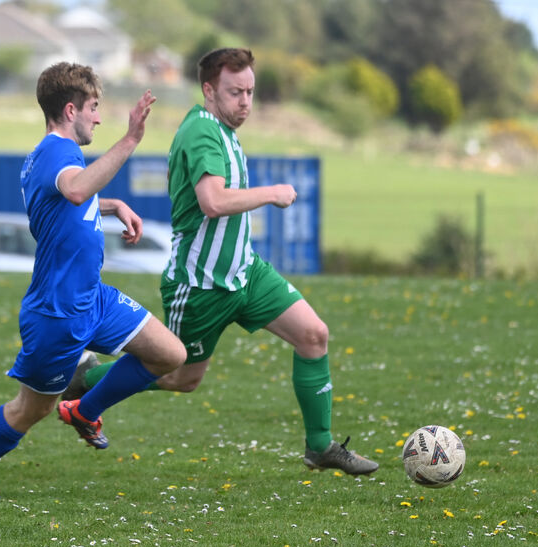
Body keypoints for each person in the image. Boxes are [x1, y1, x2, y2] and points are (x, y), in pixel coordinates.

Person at [64, 48, 377, 475]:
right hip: (201, 283)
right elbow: (212, 202)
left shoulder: (225, 131)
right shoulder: (201, 132)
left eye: (250, 91)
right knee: (179, 376)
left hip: (245, 274)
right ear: (209, 90)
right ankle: (87, 384)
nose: (245, 101)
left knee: (314, 335)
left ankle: (320, 447)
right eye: (235, 92)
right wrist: (272, 192)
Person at [0, 62, 187, 499]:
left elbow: (70, 200)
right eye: (94, 107)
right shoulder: (58, 152)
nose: (98, 116)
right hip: (57, 312)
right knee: (30, 410)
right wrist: (130, 140)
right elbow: (74, 191)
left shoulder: (50, 155)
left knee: (169, 353)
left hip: (92, 298)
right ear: (70, 109)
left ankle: (85, 409)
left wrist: (113, 206)